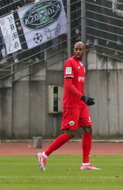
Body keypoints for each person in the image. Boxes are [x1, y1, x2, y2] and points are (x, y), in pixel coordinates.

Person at [37, 42, 100, 171]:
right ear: (73, 50)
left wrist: (83, 99)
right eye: (76, 49)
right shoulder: (70, 63)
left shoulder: (82, 65)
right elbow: (69, 85)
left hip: (80, 104)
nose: (78, 51)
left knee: (88, 129)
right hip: (71, 104)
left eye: (80, 49)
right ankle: (44, 154)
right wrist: (82, 97)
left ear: (85, 51)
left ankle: (85, 163)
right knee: (71, 133)